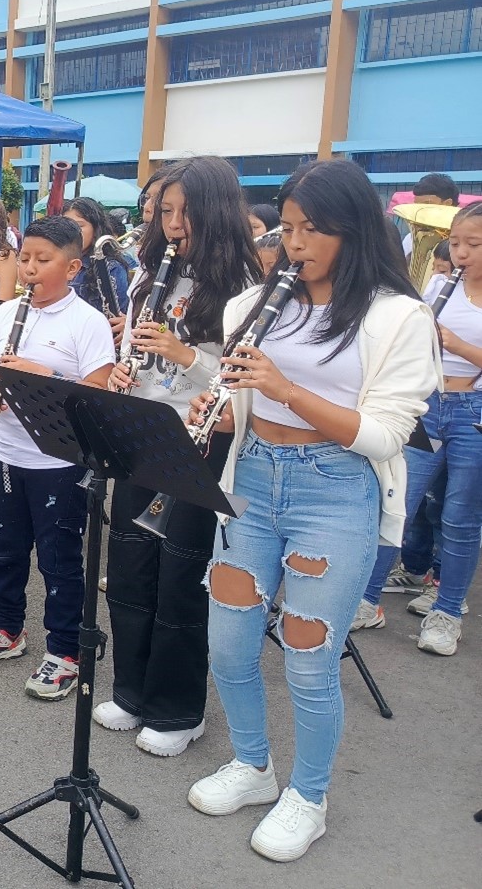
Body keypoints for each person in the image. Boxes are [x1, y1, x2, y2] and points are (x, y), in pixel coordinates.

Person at [185, 160, 438, 862]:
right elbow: (246, 406)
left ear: (353, 230)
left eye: (310, 230)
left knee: (308, 655)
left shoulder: (398, 317)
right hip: (254, 479)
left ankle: (310, 795)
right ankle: (254, 764)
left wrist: (287, 389)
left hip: (337, 488)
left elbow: (384, 435)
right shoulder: (252, 307)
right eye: (287, 228)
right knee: (230, 642)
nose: (291, 244)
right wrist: (216, 410)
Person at [99, 155, 260, 757]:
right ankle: (133, 690)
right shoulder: (149, 279)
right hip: (144, 433)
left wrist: (183, 352)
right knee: (133, 564)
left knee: (183, 576)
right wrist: (123, 369)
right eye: (165, 212)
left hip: (203, 444)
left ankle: (177, 709)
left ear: (212, 213)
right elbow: (136, 355)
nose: (171, 225)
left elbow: (240, 382)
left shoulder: (244, 291)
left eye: (183, 213)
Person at [0, 216, 115, 699]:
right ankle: (6, 628)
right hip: (6, 452)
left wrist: (42, 375)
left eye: (42, 261)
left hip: (58, 462)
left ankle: (65, 650)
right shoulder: (6, 314)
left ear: (72, 267)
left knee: (58, 558)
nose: (29, 269)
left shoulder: (87, 322)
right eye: (24, 258)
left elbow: (98, 392)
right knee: (5, 549)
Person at [356, 201, 482, 651]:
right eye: (456, 242)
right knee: (399, 500)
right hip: (429, 404)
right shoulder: (436, 287)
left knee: (461, 515)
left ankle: (447, 612)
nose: (461, 253)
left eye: (474, 244)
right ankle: (367, 601)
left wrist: (458, 345)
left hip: (475, 410)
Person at [63, 196, 130, 331]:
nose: (74, 231)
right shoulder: (57, 264)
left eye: (80, 225)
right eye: (68, 225)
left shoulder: (111, 267)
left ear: (95, 229)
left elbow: (120, 314)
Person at [402, 173, 459, 257]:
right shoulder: (411, 239)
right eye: (417, 205)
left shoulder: (463, 237)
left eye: (427, 204)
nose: (420, 210)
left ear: (447, 204)